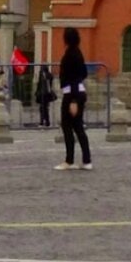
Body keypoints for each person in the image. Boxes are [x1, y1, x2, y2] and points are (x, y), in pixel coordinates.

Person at [57, 27, 92, 170]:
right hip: (77, 92)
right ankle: (86, 160)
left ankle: (69, 160)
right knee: (78, 127)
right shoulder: (78, 53)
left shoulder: (71, 54)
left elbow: (75, 78)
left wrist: (73, 101)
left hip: (72, 94)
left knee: (68, 127)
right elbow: (83, 73)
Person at [34, 63, 56, 129]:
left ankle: (43, 122)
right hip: (44, 93)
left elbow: (44, 83)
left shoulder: (45, 75)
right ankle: (46, 122)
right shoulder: (46, 74)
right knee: (44, 108)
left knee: (43, 108)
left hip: (44, 93)